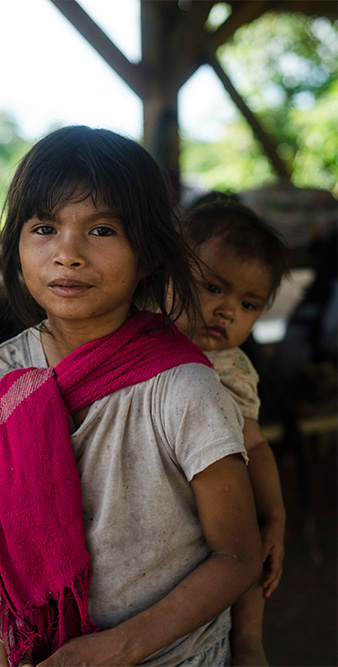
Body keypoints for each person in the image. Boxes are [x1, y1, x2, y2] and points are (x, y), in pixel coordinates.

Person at [0, 126, 262, 667]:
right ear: (18, 244)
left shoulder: (183, 389)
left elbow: (237, 554)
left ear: (149, 255)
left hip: (174, 656)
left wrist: (119, 648)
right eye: (44, 227)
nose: (67, 254)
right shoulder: (1, 374)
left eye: (101, 229)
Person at [176, 200, 290, 666]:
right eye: (212, 288)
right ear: (167, 271)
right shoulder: (134, 335)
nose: (226, 311)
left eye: (247, 305)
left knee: (246, 553)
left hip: (222, 502)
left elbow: (256, 443)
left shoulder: (230, 368)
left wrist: (276, 516)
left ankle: (248, 640)